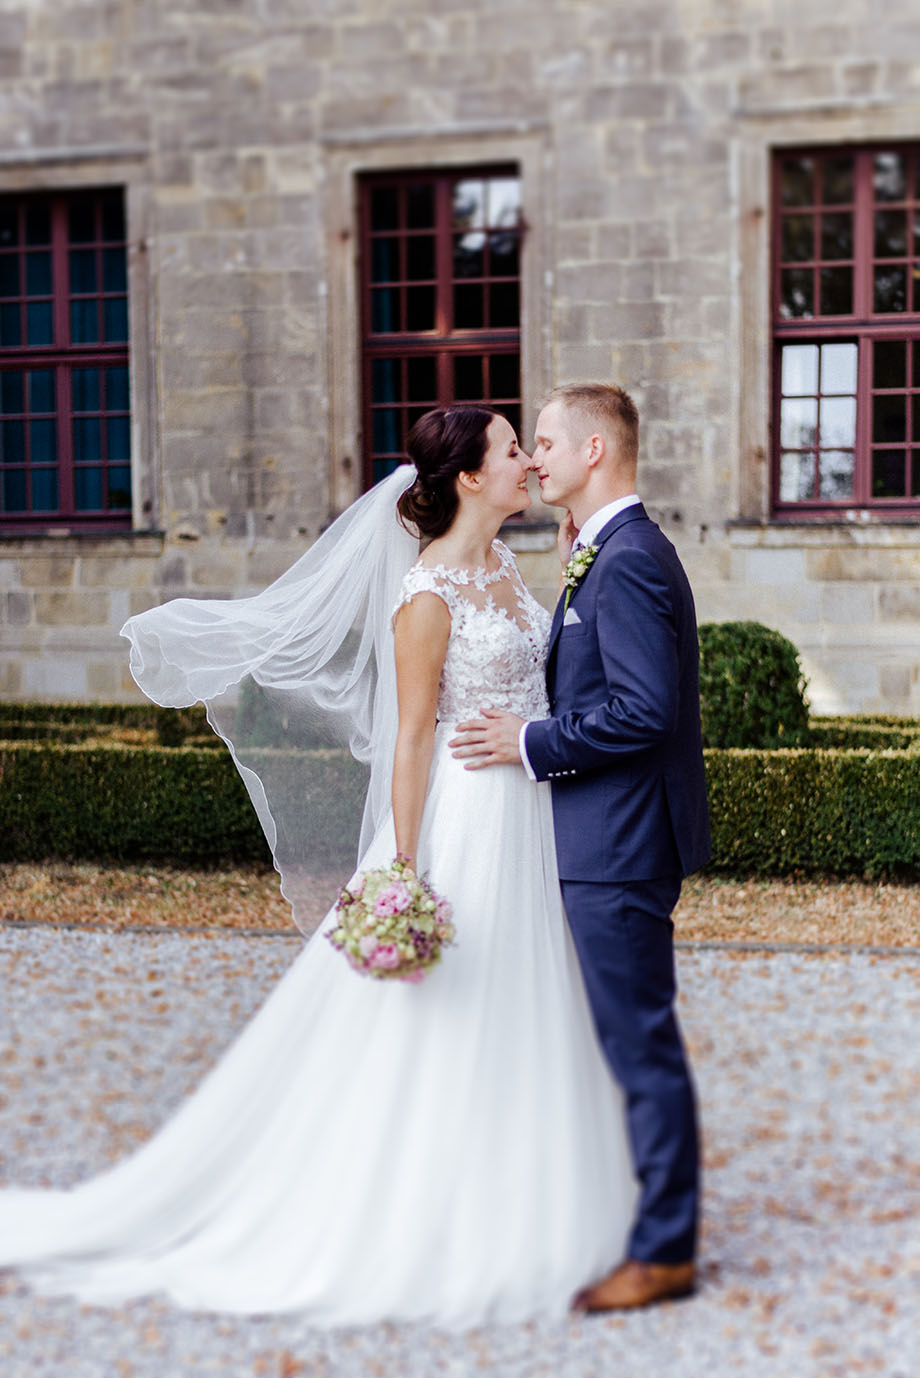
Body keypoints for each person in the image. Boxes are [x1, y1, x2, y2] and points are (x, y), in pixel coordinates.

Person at [0, 406, 640, 1329]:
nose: (527, 465)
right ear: (469, 477)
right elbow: (412, 736)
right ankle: (425, 1212)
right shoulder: (426, 595)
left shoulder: (506, 567)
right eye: (510, 451)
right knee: (445, 1011)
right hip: (463, 821)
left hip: (528, 810)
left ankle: (527, 1189)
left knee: (524, 995)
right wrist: (407, 869)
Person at [449, 383, 711, 1311]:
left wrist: (528, 743)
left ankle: (666, 1249)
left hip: (622, 845)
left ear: (595, 451)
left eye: (549, 441)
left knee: (640, 1044)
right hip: (605, 838)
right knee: (623, 1038)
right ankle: (632, 1217)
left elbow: (641, 711)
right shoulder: (602, 552)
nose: (535, 458)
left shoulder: (630, 558)